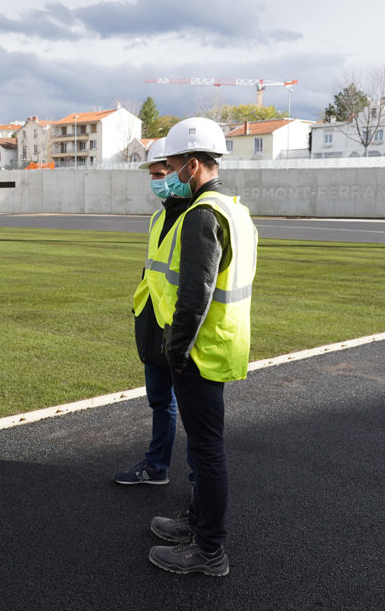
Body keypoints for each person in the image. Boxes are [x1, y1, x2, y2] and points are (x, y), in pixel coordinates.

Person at [141, 117, 258, 577]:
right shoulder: (234, 209)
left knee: (207, 451)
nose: (166, 174)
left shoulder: (201, 216)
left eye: (170, 165)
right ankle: (197, 522)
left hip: (198, 351)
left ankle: (209, 550)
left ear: (192, 165)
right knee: (206, 448)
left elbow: (196, 292)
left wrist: (176, 349)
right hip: (220, 343)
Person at [115, 140, 193, 486]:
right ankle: (157, 466)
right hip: (152, 325)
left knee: (192, 412)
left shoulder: (197, 216)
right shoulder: (158, 217)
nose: (157, 181)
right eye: (153, 175)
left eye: (161, 173)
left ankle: (198, 487)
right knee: (160, 403)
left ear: (180, 170)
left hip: (180, 330)